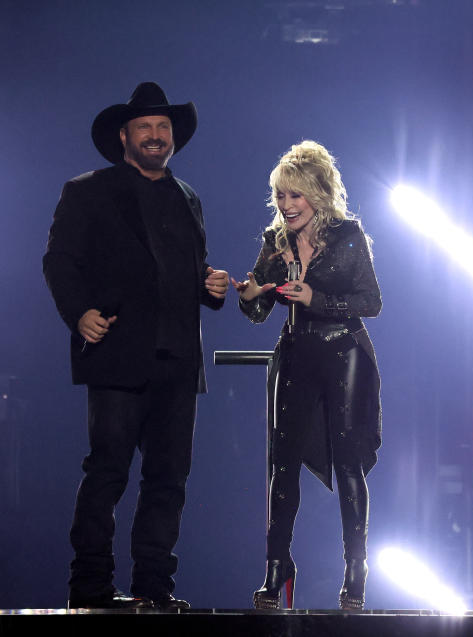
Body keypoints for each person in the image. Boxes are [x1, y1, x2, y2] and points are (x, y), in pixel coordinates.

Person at [43, 82, 228, 610]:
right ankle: (91, 589)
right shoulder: (88, 190)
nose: (155, 135)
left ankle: (154, 588)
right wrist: (79, 314)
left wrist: (210, 286)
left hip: (177, 360)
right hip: (118, 354)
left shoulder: (187, 196)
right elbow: (59, 261)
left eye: (163, 127)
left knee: (169, 479)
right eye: (145, 126)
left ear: (173, 138)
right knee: (108, 473)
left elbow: (187, 271)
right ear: (124, 135)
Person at [232, 140, 382, 610]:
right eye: (280, 195)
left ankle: (355, 568)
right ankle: (277, 567)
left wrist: (316, 300)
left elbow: (371, 302)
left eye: (294, 196)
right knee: (281, 465)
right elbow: (257, 310)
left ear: (317, 194)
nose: (286, 205)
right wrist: (248, 293)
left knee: (349, 462)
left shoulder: (349, 235)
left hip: (344, 352)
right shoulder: (273, 241)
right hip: (295, 353)